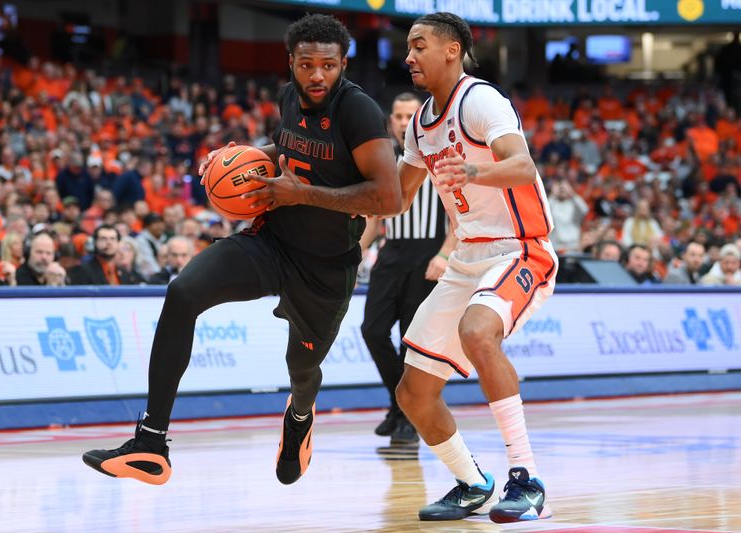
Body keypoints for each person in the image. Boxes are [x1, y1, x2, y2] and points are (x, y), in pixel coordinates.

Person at [82, 13, 400, 487]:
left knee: (303, 368)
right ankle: (151, 444)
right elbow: (287, 151)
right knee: (182, 292)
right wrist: (234, 160)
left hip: (326, 267)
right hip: (272, 239)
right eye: (307, 63)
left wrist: (304, 195)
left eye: (328, 66)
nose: (317, 75)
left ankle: (299, 419)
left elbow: (388, 198)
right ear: (291, 61)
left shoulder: (359, 112)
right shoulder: (288, 97)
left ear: (343, 64)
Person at [393, 12, 556, 524]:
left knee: (477, 332)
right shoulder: (420, 124)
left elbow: (523, 166)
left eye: (419, 46)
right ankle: (470, 482)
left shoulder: (479, 99)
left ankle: (525, 479)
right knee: (413, 393)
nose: (409, 56)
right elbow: (395, 198)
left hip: (521, 247)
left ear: (451, 50)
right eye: (408, 47)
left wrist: (475, 169)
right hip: (468, 258)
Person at [360, 92, 454, 446]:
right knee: (372, 330)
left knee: (408, 342)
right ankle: (400, 406)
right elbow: (373, 216)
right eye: (397, 116)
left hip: (427, 252)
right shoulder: (383, 161)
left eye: (409, 116)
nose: (402, 122)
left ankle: (405, 416)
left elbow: (458, 215)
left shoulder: (442, 157)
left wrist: (444, 254)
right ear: (391, 122)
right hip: (391, 252)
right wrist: (357, 252)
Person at [67, 224, 145, 285]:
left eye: (112, 239)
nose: (109, 242)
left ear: (118, 243)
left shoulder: (124, 273)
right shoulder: (82, 270)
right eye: (103, 239)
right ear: (95, 243)